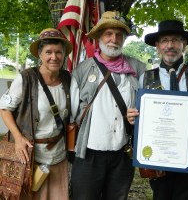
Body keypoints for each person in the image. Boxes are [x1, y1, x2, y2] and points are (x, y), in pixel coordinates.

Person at [127, 20, 188, 200]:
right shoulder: (145, 78)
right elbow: (140, 120)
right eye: (165, 40)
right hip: (158, 158)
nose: (170, 45)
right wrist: (133, 119)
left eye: (176, 40)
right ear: (157, 46)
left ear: (183, 45)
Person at [70, 11, 146, 200]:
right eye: (109, 34)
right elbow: (71, 112)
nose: (114, 39)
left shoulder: (138, 68)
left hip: (122, 153)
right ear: (99, 37)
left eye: (119, 35)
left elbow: (156, 92)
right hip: (89, 154)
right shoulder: (82, 70)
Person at [0, 28, 73, 200]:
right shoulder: (26, 78)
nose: (53, 57)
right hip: (31, 155)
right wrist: (18, 138)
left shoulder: (68, 78)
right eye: (48, 52)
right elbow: (4, 108)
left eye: (58, 52)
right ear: (39, 54)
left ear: (64, 55)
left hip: (58, 155)